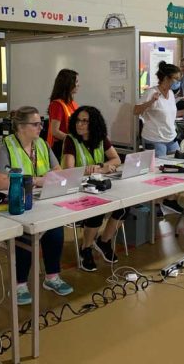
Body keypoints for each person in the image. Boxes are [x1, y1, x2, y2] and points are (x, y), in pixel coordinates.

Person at [0, 106, 73, 305]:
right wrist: (36, 180)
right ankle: (19, 285)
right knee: (26, 235)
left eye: (41, 123)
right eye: (35, 124)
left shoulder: (42, 145)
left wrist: (50, 177)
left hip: (41, 202)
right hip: (15, 204)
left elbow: (58, 171)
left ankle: (52, 277)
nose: (40, 127)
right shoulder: (6, 147)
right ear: (20, 126)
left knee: (55, 229)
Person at [61, 106, 126, 271]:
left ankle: (103, 242)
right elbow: (69, 170)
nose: (79, 124)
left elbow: (116, 159)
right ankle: (86, 248)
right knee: (97, 209)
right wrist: (99, 169)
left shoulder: (101, 138)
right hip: (77, 190)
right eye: (78, 120)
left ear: (94, 124)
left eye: (85, 121)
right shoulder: (71, 140)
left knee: (125, 206)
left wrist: (100, 166)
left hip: (97, 185)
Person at [135, 61, 184, 212]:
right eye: (176, 79)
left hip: (171, 138)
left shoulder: (170, 94)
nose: (178, 82)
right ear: (167, 78)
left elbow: (172, 114)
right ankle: (155, 205)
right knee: (160, 174)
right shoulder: (151, 92)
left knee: (178, 169)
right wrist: (151, 102)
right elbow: (136, 110)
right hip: (155, 139)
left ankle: (170, 200)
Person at [47, 69, 79, 159]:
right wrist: (74, 141)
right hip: (60, 147)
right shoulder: (57, 105)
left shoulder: (73, 103)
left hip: (70, 145)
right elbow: (55, 131)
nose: (78, 85)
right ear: (68, 83)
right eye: (76, 82)